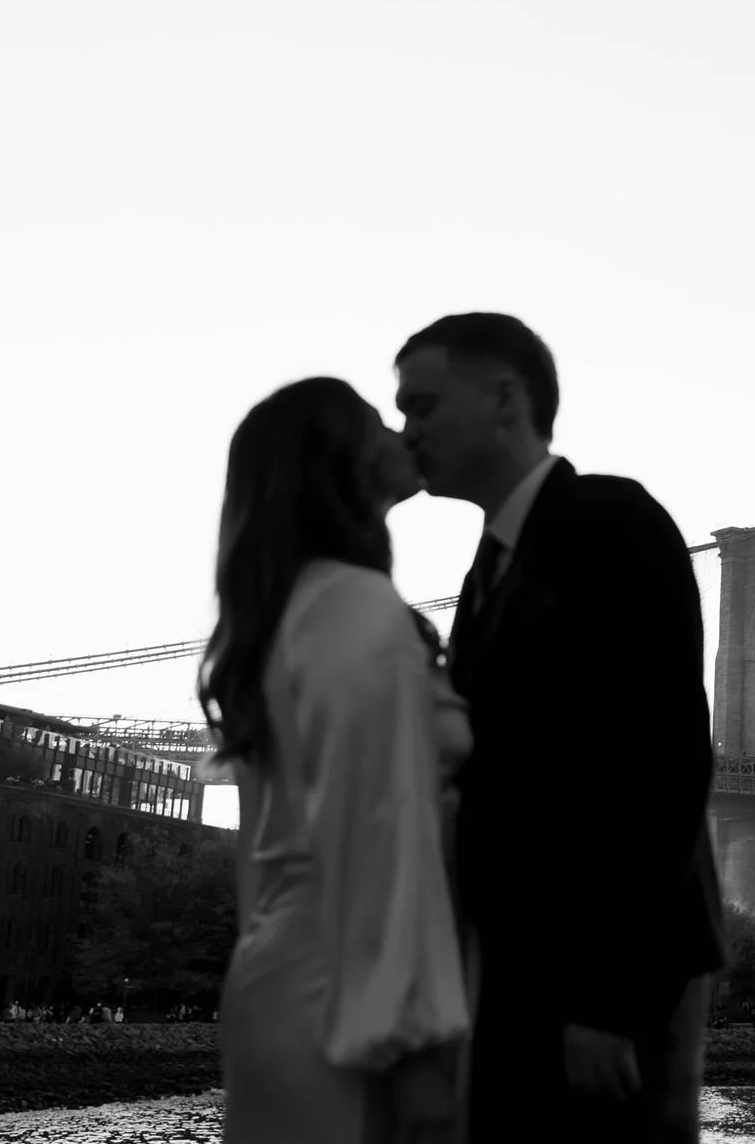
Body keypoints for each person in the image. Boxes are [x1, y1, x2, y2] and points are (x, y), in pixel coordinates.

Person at [394, 313, 724, 1142]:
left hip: (606, 987)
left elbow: (664, 760)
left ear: (506, 399)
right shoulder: (489, 566)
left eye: (422, 405)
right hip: (518, 977)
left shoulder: (612, 521)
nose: (408, 430)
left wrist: (608, 999)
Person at [201, 377, 473, 1144]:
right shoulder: (354, 603)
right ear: (338, 461)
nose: (401, 432)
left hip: (286, 980)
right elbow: (382, 826)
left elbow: (257, 859)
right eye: (376, 420)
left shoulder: (290, 610)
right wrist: (413, 1046)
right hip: (350, 1005)